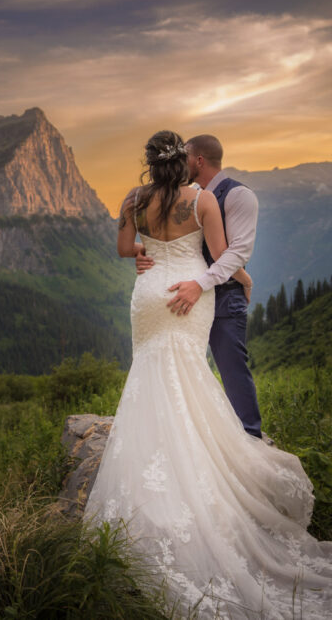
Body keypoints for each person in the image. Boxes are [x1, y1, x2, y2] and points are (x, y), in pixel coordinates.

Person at [84, 130, 332, 618]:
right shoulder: (203, 200)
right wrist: (242, 274)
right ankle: (211, 465)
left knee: (150, 372)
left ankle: (155, 470)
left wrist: (145, 255)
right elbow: (217, 255)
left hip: (148, 295)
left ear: (150, 162)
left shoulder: (133, 199)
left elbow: (125, 248)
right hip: (190, 292)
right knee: (188, 371)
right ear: (184, 160)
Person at [134, 134, 263, 439]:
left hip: (220, 294)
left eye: (185, 156)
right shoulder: (191, 196)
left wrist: (210, 282)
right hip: (185, 291)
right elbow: (168, 238)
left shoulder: (239, 196)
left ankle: (250, 437)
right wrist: (143, 254)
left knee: (231, 367)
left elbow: (238, 251)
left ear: (198, 161)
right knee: (180, 365)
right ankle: (183, 437)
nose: (179, 161)